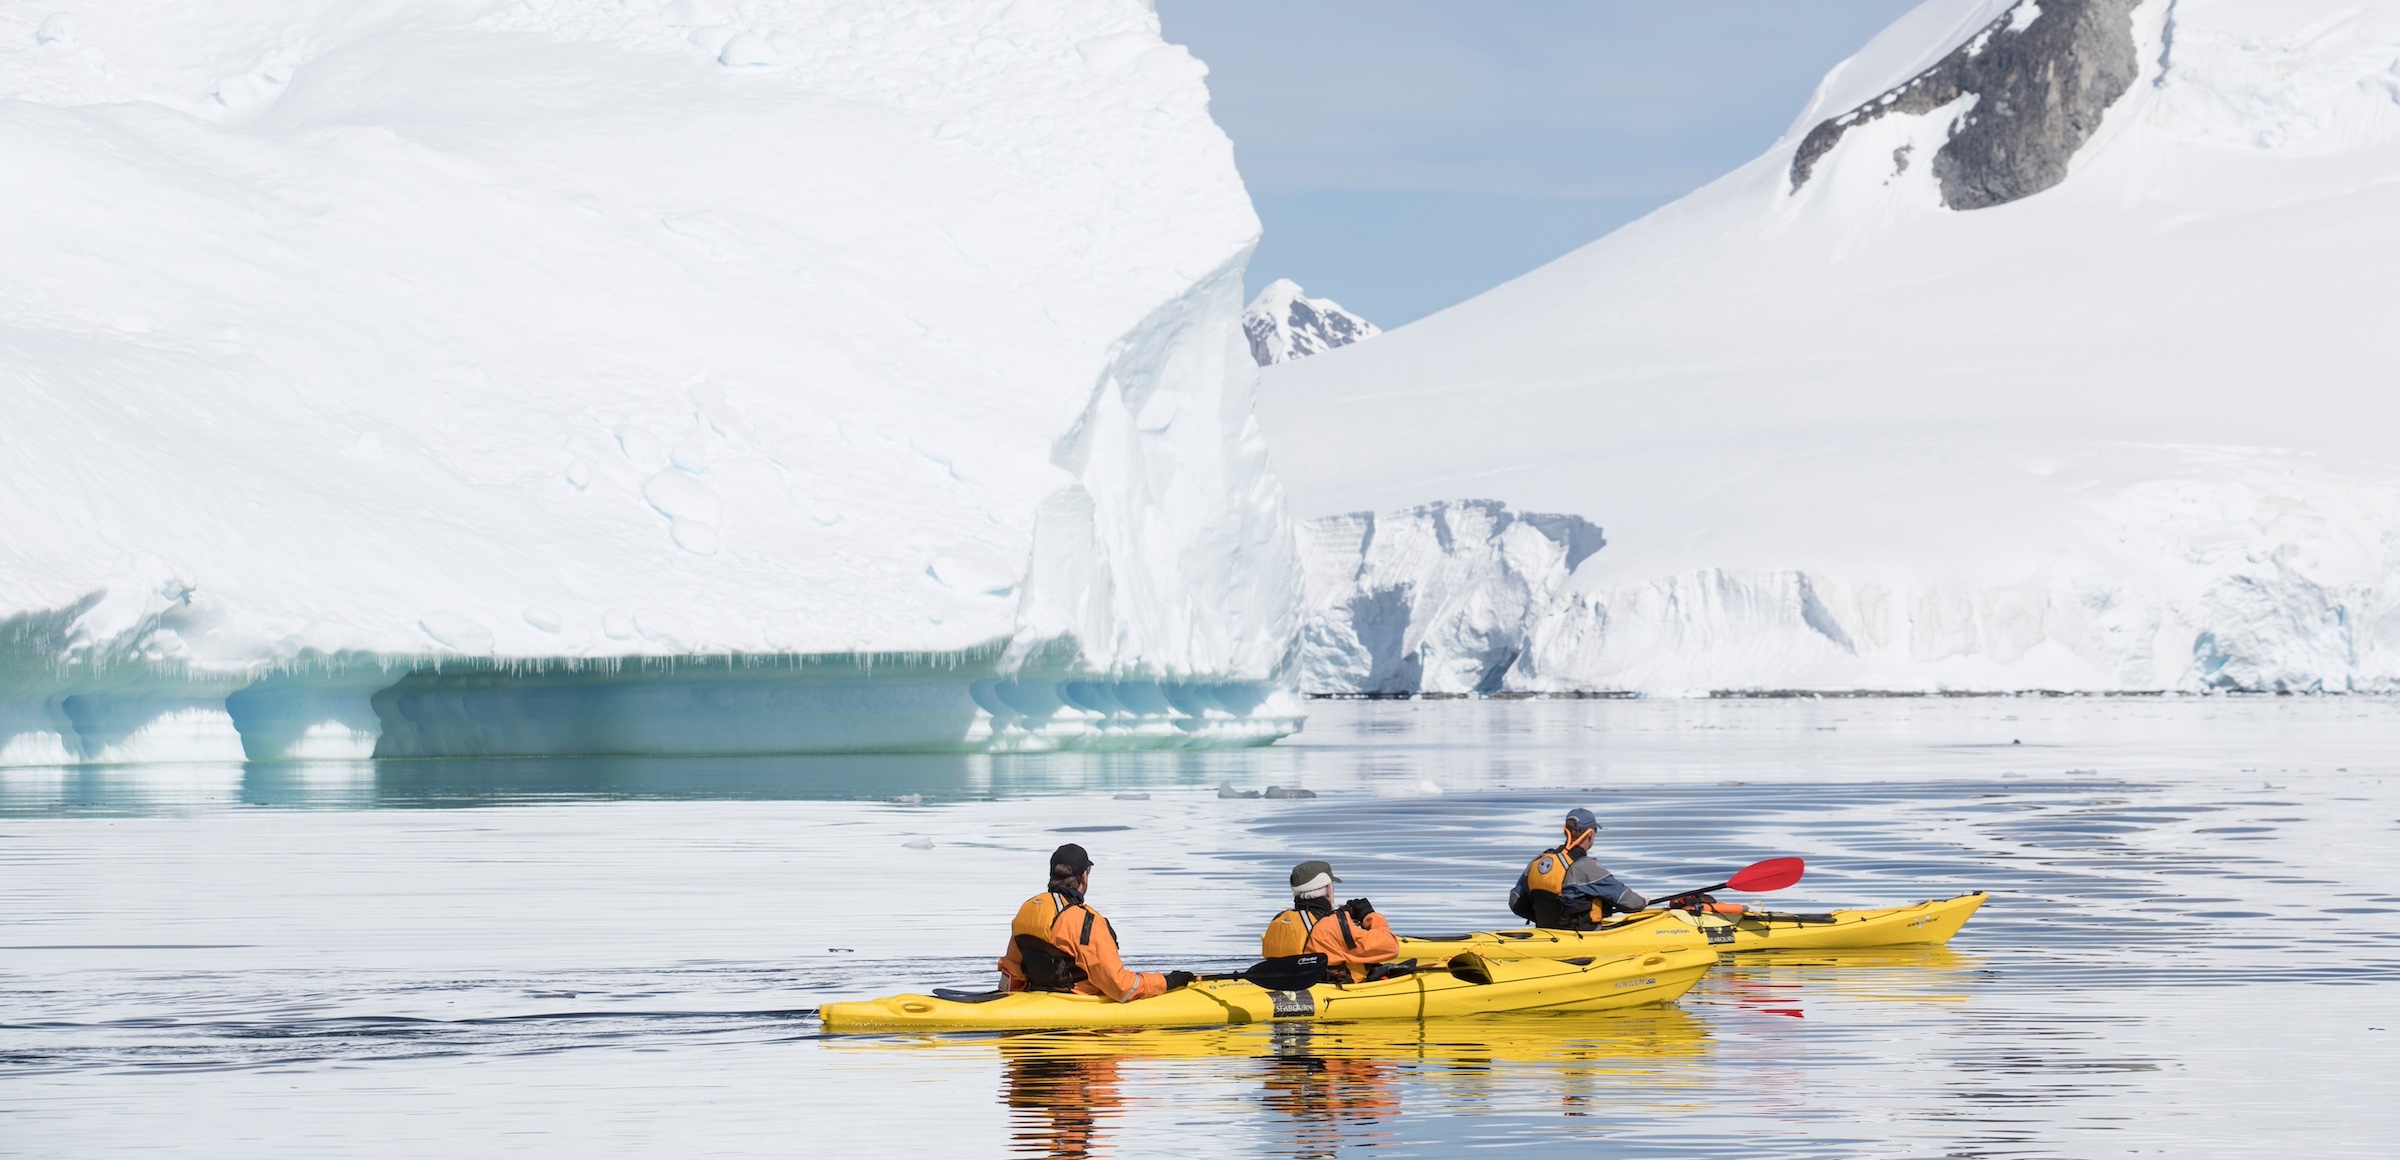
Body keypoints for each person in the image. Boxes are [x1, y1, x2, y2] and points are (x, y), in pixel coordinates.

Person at [997, 843, 1191, 1001]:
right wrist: (1167, 981)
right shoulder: (1086, 922)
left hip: (1036, 1001)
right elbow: (1121, 987)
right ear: (1084, 876)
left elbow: (1013, 973)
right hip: (1079, 1013)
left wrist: (1008, 1003)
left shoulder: (1028, 909)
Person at [1261, 859, 1401, 983]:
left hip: (1291, 983)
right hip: (1334, 993)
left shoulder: (1279, 921)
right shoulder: (1333, 926)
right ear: (1328, 889)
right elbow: (1391, 947)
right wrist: (1369, 915)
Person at [1508, 808, 1648, 929]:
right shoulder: (1587, 867)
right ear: (1590, 834)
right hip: (1581, 936)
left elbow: (1515, 902)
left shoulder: (1538, 861)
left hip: (1547, 934)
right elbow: (1630, 903)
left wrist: (1543, 919)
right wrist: (1643, 902)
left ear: (1565, 832)